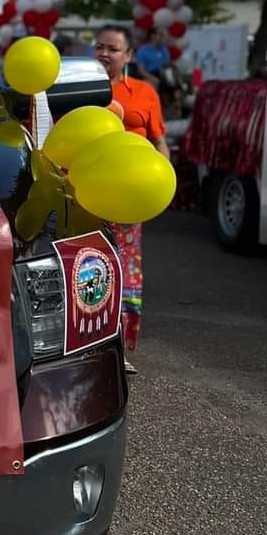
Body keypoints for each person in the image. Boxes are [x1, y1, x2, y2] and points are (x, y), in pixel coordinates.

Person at [94, 25, 171, 373]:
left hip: (130, 200)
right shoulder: (78, 91)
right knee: (89, 270)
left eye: (112, 48)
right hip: (87, 197)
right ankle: (86, 344)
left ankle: (119, 346)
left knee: (125, 273)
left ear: (128, 56)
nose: (104, 54)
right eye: (99, 47)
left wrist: (164, 182)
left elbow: (158, 142)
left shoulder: (144, 92)